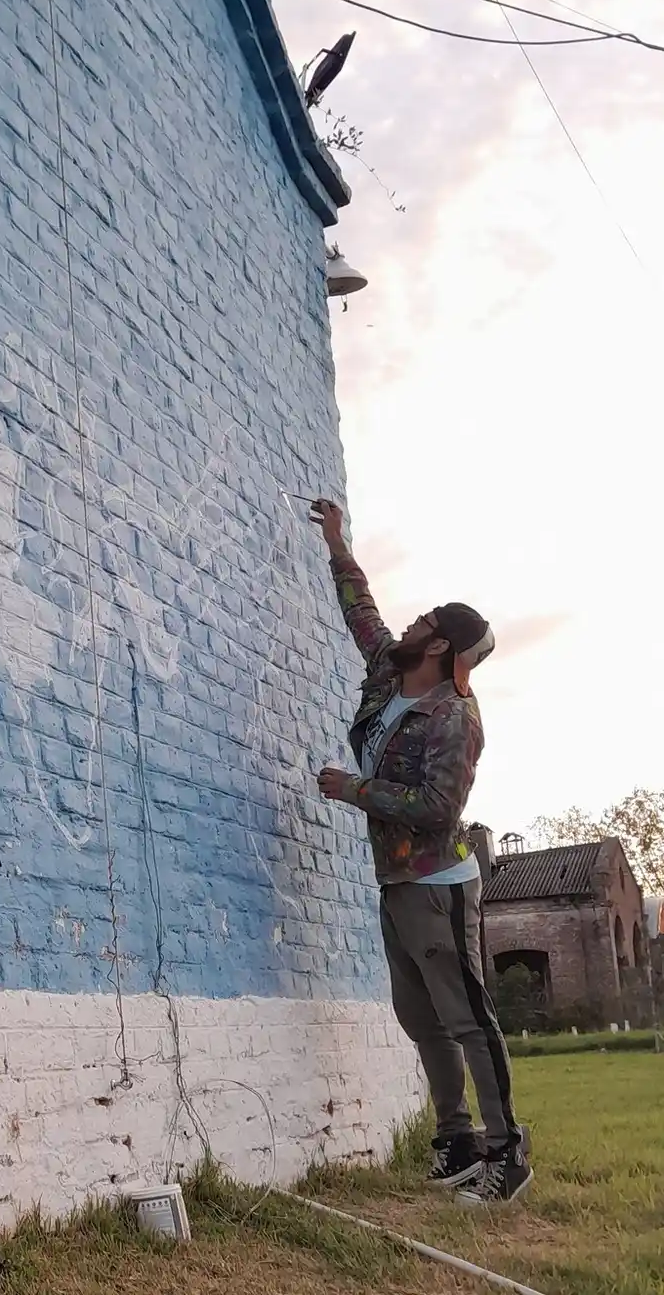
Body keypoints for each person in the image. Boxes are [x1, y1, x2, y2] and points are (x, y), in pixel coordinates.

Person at [309, 498, 531, 1206]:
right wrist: (340, 544)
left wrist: (357, 791)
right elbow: (361, 612)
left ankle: (507, 1154)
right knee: (421, 1019)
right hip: (396, 880)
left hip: (440, 880)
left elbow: (441, 809)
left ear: (441, 646)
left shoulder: (454, 718)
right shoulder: (389, 671)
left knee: (467, 1015)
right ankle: (457, 1142)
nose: (411, 624)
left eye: (426, 622)